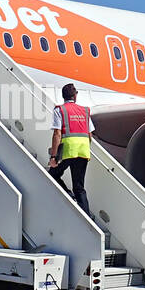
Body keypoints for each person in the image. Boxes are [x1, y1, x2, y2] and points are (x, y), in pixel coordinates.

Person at [48, 83, 93, 215]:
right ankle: (87, 219)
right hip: (83, 150)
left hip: (68, 151)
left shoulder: (59, 110)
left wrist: (53, 157)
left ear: (63, 96)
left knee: (53, 174)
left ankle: (69, 195)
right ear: (75, 95)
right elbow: (90, 134)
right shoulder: (85, 111)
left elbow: (57, 134)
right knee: (79, 187)